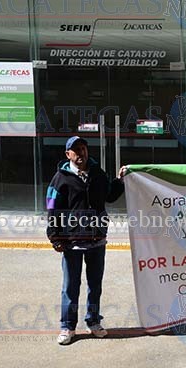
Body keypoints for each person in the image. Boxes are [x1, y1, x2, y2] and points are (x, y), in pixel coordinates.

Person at [46, 136, 126, 345]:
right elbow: (52, 207)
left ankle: (93, 321)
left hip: (96, 239)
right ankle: (67, 326)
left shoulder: (98, 174)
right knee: (70, 286)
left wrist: (120, 181)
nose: (80, 153)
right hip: (72, 241)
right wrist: (55, 235)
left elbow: (110, 196)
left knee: (95, 285)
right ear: (68, 154)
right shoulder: (60, 178)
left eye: (83, 148)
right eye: (76, 150)